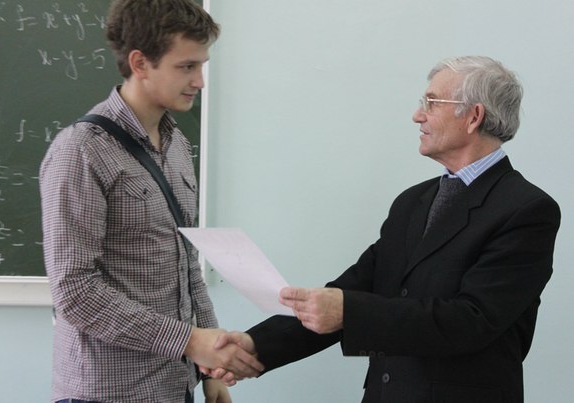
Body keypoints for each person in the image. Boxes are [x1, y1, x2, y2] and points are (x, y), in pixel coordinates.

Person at [211, 56, 561, 403]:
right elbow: (352, 289)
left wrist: (348, 311)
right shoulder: (412, 202)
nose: (417, 115)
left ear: (474, 116)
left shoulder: (526, 210)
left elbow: (471, 321)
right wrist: (255, 346)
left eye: (432, 102)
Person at [39, 1, 263, 402]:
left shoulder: (177, 144)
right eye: (186, 67)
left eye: (201, 65)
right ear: (140, 63)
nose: (199, 81)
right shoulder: (81, 151)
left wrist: (209, 368)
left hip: (174, 386)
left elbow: (187, 266)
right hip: (107, 392)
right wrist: (190, 342)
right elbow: (74, 290)